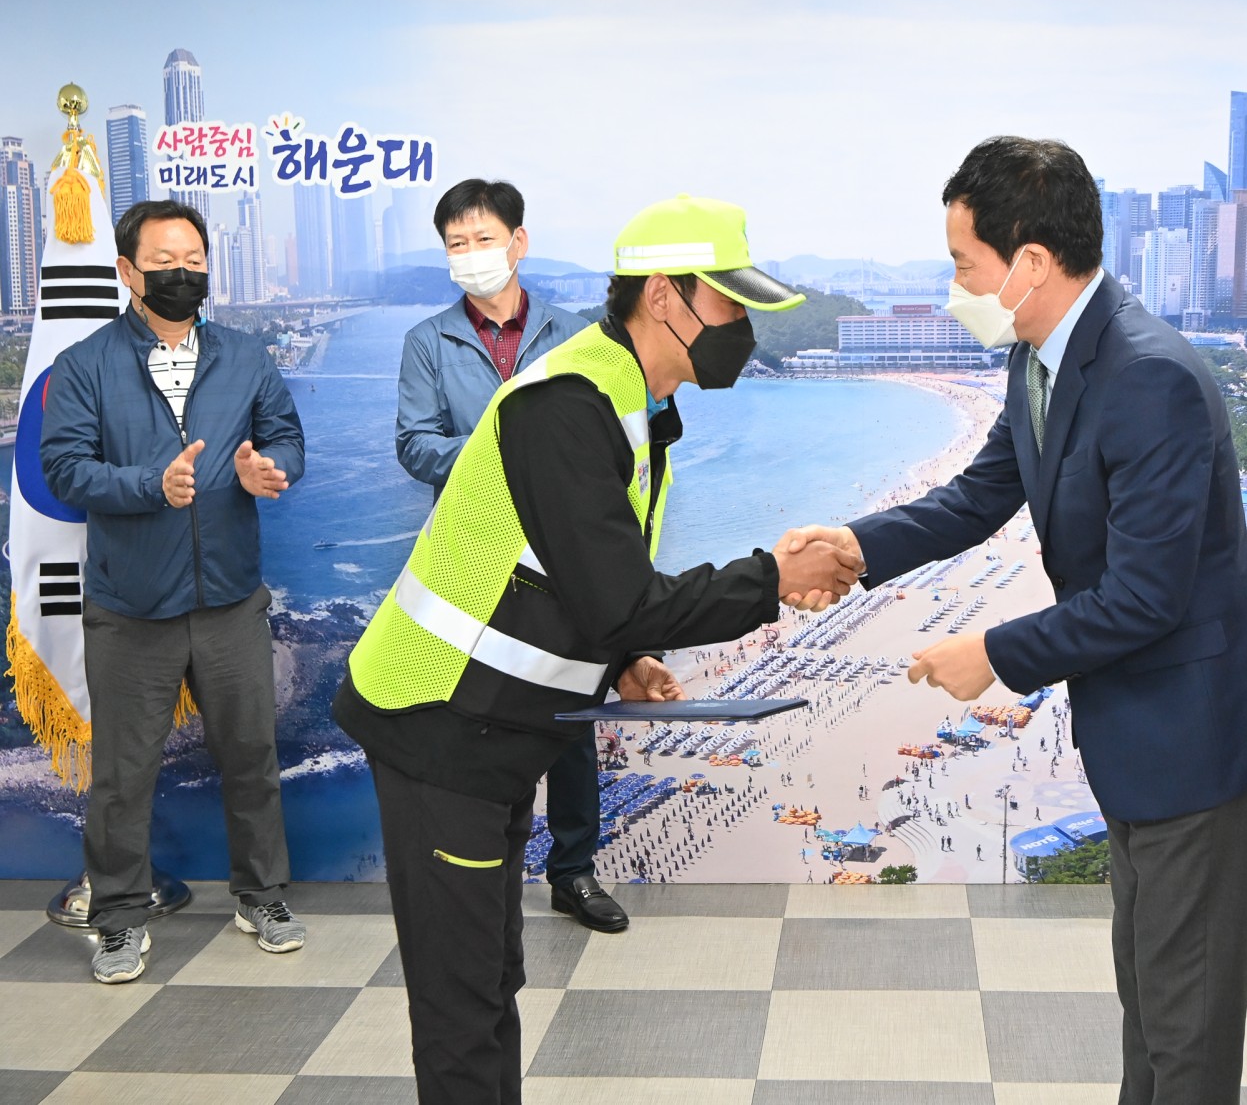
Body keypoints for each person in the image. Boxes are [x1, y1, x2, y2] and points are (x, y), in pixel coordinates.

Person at [781, 137, 1247, 1105]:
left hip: (1198, 735)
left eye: (963, 264)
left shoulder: (1149, 376)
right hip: (1140, 732)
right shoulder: (1042, 358)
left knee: (1186, 1030)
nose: (954, 286)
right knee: (1151, 1004)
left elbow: (1145, 597)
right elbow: (977, 496)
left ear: (1029, 260)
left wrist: (993, 651)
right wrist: (854, 546)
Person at [332, 193, 861, 1103]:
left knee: (492, 978)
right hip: (438, 724)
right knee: (463, 1003)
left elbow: (567, 575)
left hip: (496, 732)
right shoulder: (567, 404)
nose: (742, 327)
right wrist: (772, 577)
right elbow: (619, 599)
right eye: (729, 303)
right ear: (663, 296)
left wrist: (621, 660)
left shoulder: (627, 399)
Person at [40, 199, 308, 984]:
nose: (183, 274)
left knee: (252, 757)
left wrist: (270, 469)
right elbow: (65, 470)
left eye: (194, 260)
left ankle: (261, 897)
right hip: (130, 609)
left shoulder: (245, 355)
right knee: (123, 776)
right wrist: (149, 486)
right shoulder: (85, 364)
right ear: (128, 271)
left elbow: (285, 435)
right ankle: (120, 916)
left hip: (230, 600)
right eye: (165, 262)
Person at [392, 179, 622, 932]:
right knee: (472, 714)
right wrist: (506, 451)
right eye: (456, 244)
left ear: (518, 243)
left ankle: (574, 872)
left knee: (570, 719)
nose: (470, 255)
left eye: (483, 239)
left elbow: (613, 435)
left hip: (563, 559)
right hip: (470, 558)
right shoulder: (428, 342)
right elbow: (415, 445)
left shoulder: (578, 335)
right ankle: (477, 870)